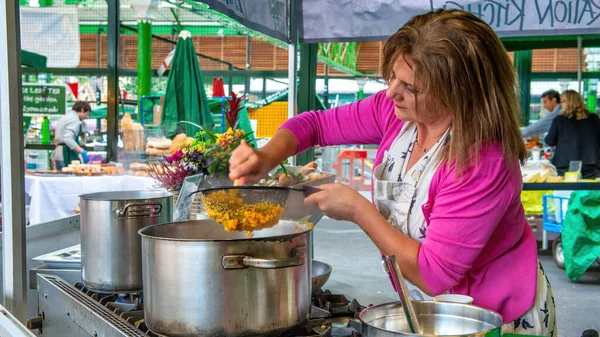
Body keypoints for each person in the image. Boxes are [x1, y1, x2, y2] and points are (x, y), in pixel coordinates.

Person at [229, 9, 556, 336]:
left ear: (458, 92)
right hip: (423, 306)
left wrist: (358, 210)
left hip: (489, 315)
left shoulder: (483, 160)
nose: (390, 93)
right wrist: (266, 156)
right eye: (392, 78)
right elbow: (313, 125)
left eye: (410, 87)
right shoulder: (396, 113)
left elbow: (433, 274)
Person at [545, 90, 600, 178]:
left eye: (562, 101)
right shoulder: (594, 118)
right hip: (591, 164)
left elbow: (550, 141)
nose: (560, 105)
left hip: (564, 164)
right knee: (590, 190)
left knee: (566, 191)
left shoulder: (560, 120)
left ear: (568, 102)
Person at [51, 101, 91, 170]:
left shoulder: (66, 116)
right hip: (65, 154)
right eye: (87, 114)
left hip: (58, 154)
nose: (87, 117)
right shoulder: (74, 119)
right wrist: (81, 151)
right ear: (82, 110)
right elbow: (67, 138)